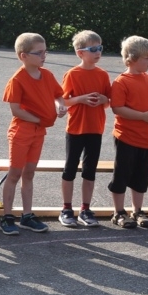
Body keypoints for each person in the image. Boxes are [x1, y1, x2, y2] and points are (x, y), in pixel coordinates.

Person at [0, 32, 65, 235]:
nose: (44, 56)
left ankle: (27, 215)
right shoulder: (17, 79)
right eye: (39, 53)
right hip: (22, 132)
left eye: (45, 52)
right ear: (24, 56)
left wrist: (60, 106)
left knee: (29, 173)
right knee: (15, 174)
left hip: (39, 132)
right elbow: (16, 110)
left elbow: (58, 95)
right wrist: (39, 119)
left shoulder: (47, 75)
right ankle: (7, 216)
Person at [59, 30, 110, 228]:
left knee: (90, 171)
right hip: (75, 129)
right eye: (93, 49)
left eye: (100, 48)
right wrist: (81, 99)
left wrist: (103, 99)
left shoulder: (103, 74)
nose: (98, 52)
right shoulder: (72, 74)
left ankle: (85, 209)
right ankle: (66, 209)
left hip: (95, 129)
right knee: (70, 169)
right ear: (80, 53)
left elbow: (109, 101)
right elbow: (63, 101)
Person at [109, 36, 148, 229]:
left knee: (141, 176)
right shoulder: (121, 82)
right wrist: (142, 116)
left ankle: (137, 211)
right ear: (131, 59)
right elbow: (117, 108)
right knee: (122, 175)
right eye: (146, 58)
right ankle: (118, 212)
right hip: (127, 137)